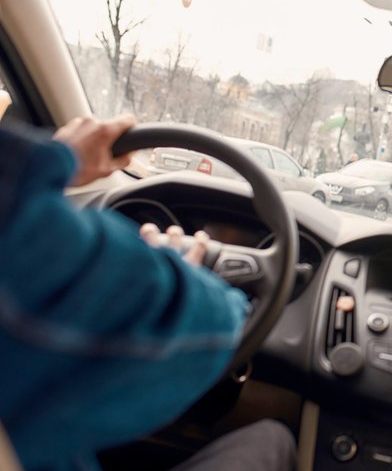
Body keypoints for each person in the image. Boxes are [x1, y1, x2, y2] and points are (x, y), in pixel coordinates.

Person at [0, 116, 296, 471]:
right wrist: (182, 270)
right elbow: (211, 327)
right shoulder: (23, 234)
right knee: (271, 439)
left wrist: (59, 159)